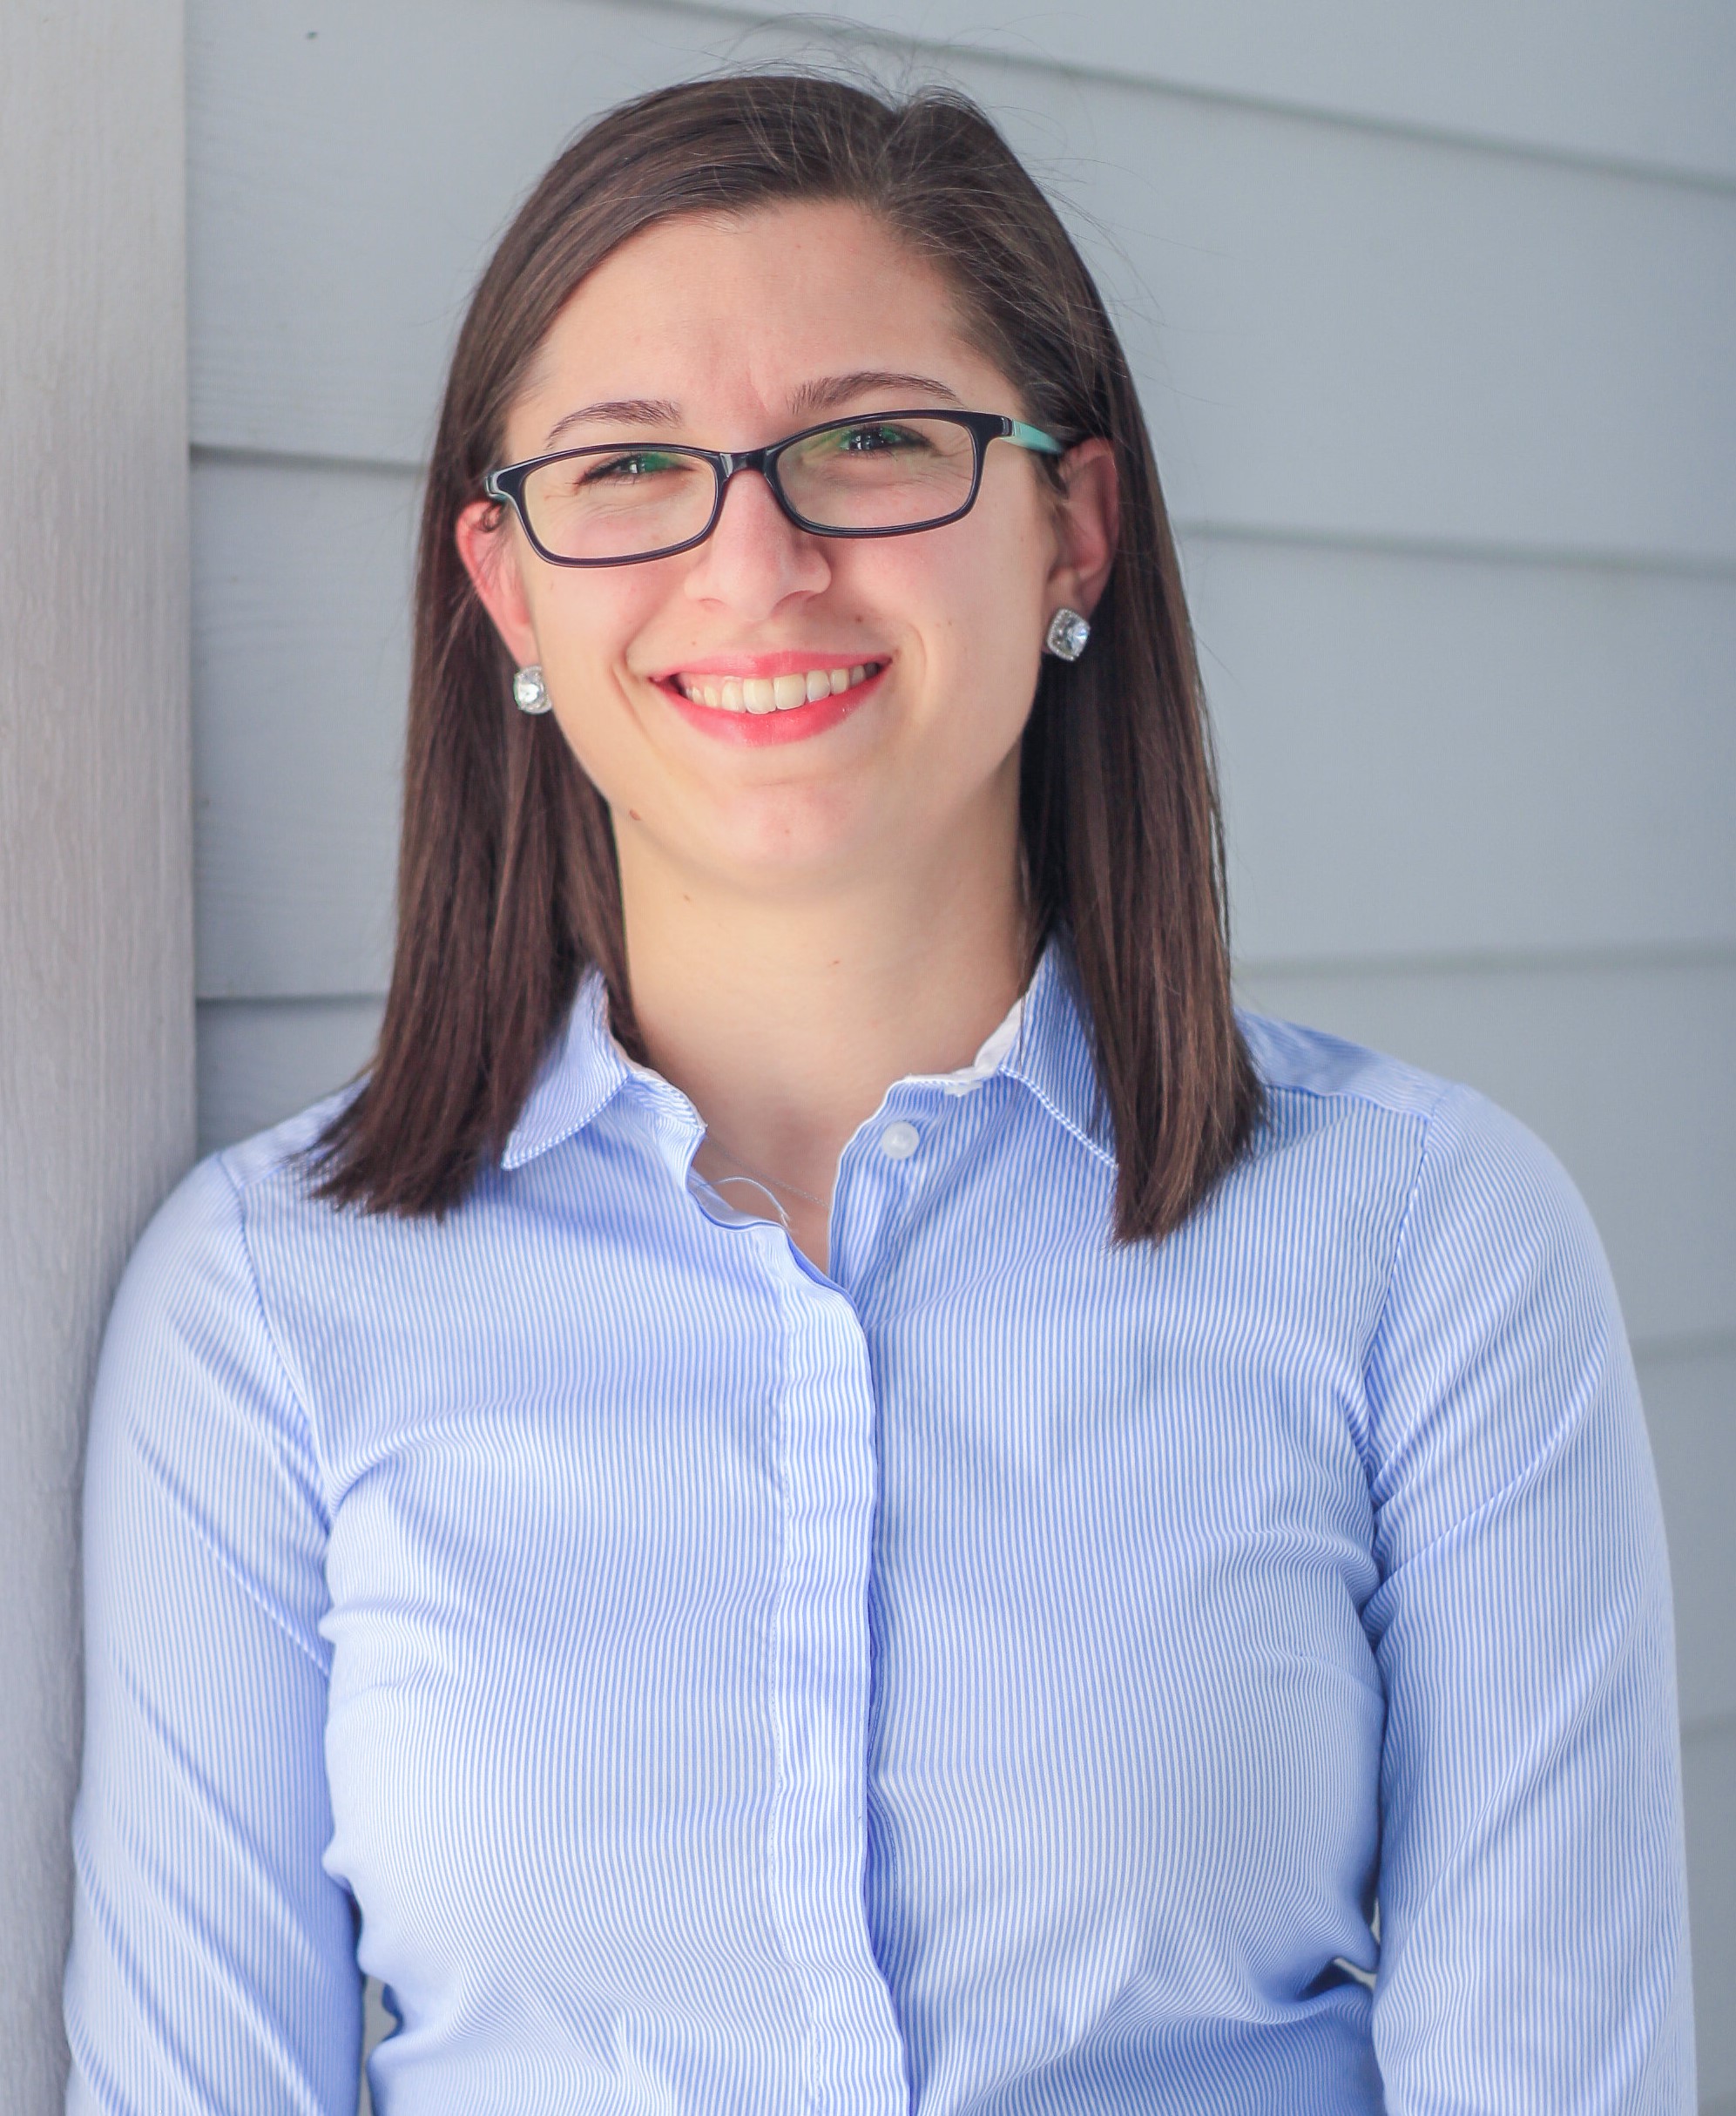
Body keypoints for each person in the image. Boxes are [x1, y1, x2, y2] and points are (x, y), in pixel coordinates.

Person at [64, 71, 1693, 2116]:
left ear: (1070, 527)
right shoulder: (266, 1312)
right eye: (630, 469)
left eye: (870, 445)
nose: (755, 566)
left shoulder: (1424, 1246)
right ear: (509, 590)